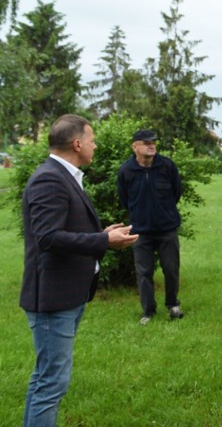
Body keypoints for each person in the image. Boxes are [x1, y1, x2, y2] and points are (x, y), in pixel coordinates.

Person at [20, 114, 138, 426]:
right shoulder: (50, 178)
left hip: (66, 295)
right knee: (51, 382)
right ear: (76, 143)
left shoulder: (63, 176)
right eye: (92, 139)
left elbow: (63, 227)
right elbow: (47, 237)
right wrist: (103, 240)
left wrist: (103, 231)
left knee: (46, 377)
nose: (94, 145)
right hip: (52, 298)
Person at [117, 129, 184, 325]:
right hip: (141, 230)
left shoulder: (167, 166)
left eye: (153, 142)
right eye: (146, 143)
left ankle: (173, 305)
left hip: (167, 228)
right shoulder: (126, 170)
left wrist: (164, 212)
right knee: (143, 272)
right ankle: (148, 311)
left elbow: (176, 192)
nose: (151, 145)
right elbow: (124, 198)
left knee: (171, 269)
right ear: (134, 146)